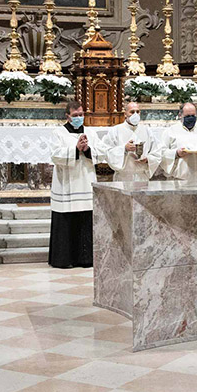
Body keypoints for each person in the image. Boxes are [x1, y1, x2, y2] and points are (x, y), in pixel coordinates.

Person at [49, 100, 104, 268]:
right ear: (67, 116)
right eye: (75, 115)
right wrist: (75, 149)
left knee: (85, 219)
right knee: (66, 220)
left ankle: (85, 259)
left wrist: (87, 149)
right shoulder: (58, 133)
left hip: (86, 181)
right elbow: (54, 155)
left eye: (81, 114)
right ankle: (65, 259)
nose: (79, 117)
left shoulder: (91, 133)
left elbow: (102, 153)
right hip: (66, 184)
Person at [103, 101, 162, 181]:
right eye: (132, 112)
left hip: (142, 177)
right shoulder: (115, 130)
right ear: (125, 114)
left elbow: (157, 152)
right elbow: (106, 151)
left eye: (137, 112)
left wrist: (148, 159)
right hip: (123, 177)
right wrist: (124, 149)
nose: (135, 115)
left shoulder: (147, 130)